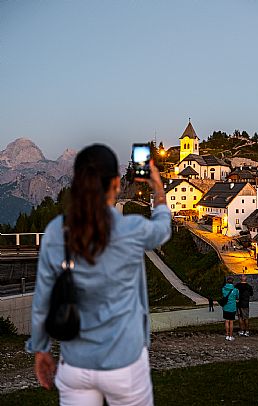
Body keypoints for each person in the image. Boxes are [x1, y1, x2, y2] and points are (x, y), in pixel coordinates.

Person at [26, 144, 171, 406]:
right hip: (125, 364)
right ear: (116, 183)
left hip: (76, 365)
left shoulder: (57, 232)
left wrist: (41, 347)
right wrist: (158, 187)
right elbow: (162, 229)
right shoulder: (132, 228)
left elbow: (42, 299)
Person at [222, 276, 239, 341]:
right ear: (233, 282)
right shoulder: (235, 290)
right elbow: (237, 297)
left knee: (226, 321)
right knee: (231, 322)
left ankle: (227, 335)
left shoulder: (223, 289)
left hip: (226, 307)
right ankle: (231, 336)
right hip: (232, 307)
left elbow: (223, 295)